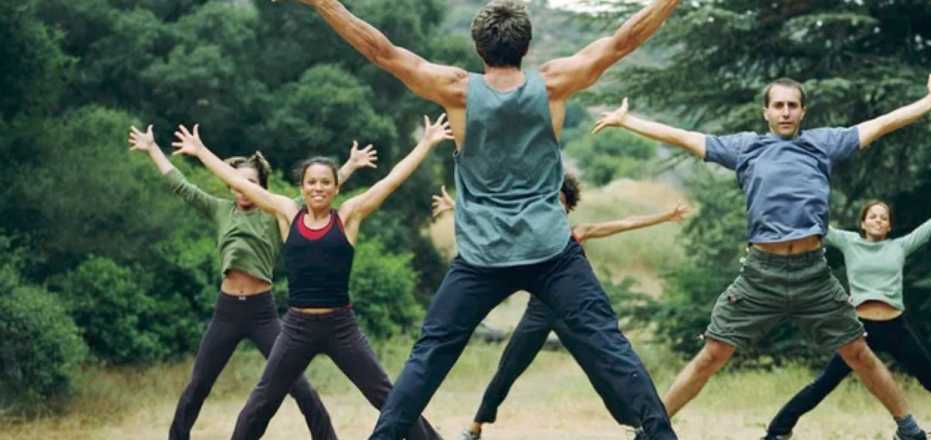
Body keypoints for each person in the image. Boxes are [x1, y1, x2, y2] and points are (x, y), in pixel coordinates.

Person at [286, 0, 682, 437]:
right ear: (526, 46)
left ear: (479, 49)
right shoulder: (553, 84)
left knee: (430, 354)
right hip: (550, 250)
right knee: (609, 344)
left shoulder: (457, 90)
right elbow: (623, 40)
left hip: (481, 256)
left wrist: (322, 3)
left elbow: (383, 51)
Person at [592, 74, 931, 440]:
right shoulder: (745, 148)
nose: (786, 112)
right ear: (766, 112)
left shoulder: (823, 143)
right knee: (713, 353)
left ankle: (909, 429)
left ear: (803, 112)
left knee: (858, 352)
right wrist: (628, 122)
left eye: (793, 106)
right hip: (760, 274)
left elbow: (879, 124)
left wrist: (930, 101)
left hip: (813, 274)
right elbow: (687, 138)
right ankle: (653, 431)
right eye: (779, 106)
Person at [166, 115, 451, 440]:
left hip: (341, 327)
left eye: (325, 182)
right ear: (302, 187)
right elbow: (242, 184)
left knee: (389, 396)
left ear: (336, 187)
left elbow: (390, 182)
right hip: (297, 328)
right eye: (312, 182)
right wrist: (201, 151)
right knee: (261, 403)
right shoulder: (288, 213)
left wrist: (425, 143)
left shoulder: (348, 215)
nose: (318, 188)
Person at [130, 125, 376, 440]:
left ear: (260, 187)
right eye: (237, 184)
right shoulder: (219, 210)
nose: (242, 190)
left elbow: (318, 189)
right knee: (198, 384)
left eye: (250, 184)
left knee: (300, 387)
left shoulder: (276, 213)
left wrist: (351, 165)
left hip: (263, 312)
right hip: (227, 311)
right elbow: (181, 185)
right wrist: (153, 149)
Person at [428, 177, 688, 440]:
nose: (557, 206)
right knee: (508, 368)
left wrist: (665, 216)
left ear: (568, 206)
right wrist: (455, 206)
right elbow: (497, 220)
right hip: (537, 314)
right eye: (551, 201)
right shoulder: (531, 233)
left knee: (602, 372)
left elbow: (624, 223)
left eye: (562, 202)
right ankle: (475, 427)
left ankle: (639, 425)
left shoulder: (577, 232)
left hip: (571, 316)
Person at [764, 200, 931, 440]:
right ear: (863, 223)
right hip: (858, 330)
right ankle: (777, 431)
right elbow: (816, 226)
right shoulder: (849, 241)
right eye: (873, 216)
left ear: (889, 227)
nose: (878, 220)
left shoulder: (900, 246)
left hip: (895, 327)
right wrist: (785, 204)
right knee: (825, 382)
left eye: (883, 218)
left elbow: (930, 227)